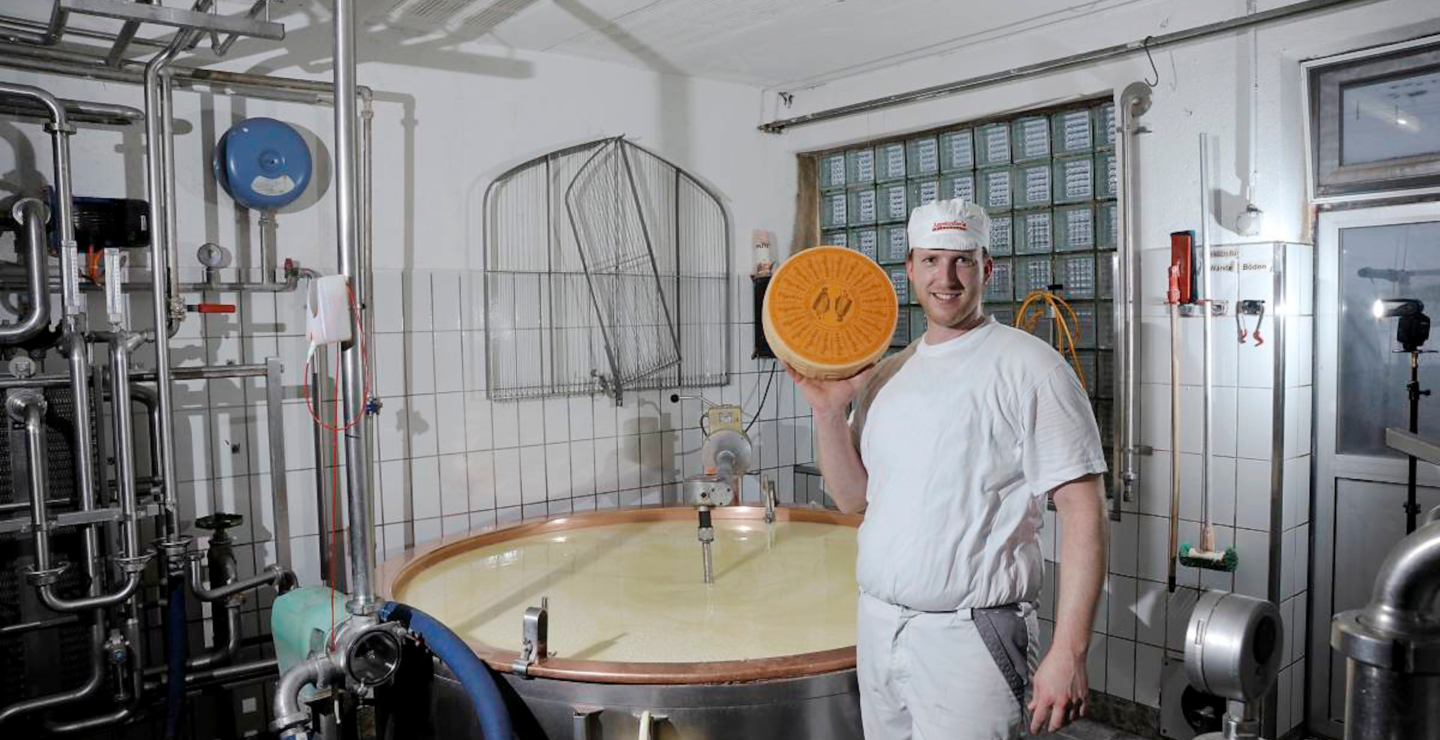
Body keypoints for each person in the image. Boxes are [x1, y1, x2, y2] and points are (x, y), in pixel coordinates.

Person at [787, 198, 1108, 739]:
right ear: (909, 269)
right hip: (880, 627)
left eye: (962, 260)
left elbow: (1084, 511)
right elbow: (853, 500)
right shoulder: (890, 374)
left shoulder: (1030, 368)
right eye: (932, 260)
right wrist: (827, 411)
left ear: (986, 268)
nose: (947, 277)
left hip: (971, 637)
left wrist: (1070, 651)